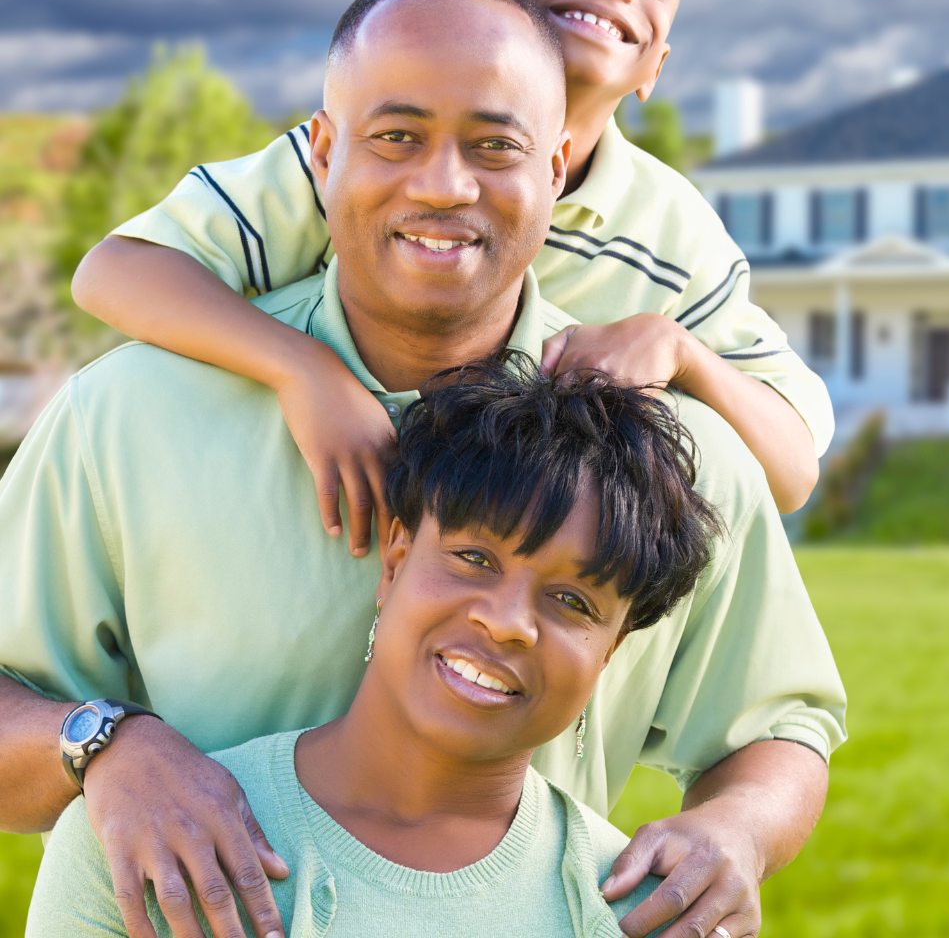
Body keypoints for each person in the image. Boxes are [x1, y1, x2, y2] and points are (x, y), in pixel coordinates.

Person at [0, 0, 845, 938]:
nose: (445, 186)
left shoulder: (668, 461)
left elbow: (780, 727)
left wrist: (736, 832)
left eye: (495, 147)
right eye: (398, 137)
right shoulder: (131, 415)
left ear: (558, 168)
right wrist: (104, 747)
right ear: (323, 154)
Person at [71, 0, 826, 555]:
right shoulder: (364, 157)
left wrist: (679, 350)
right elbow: (115, 273)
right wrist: (303, 370)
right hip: (296, 523)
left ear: (655, 67)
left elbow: (789, 472)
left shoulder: (673, 234)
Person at [28, 359, 724, 936]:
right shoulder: (146, 839)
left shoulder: (643, 911)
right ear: (394, 561)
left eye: (573, 601)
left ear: (611, 651)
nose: (509, 622)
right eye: (475, 558)